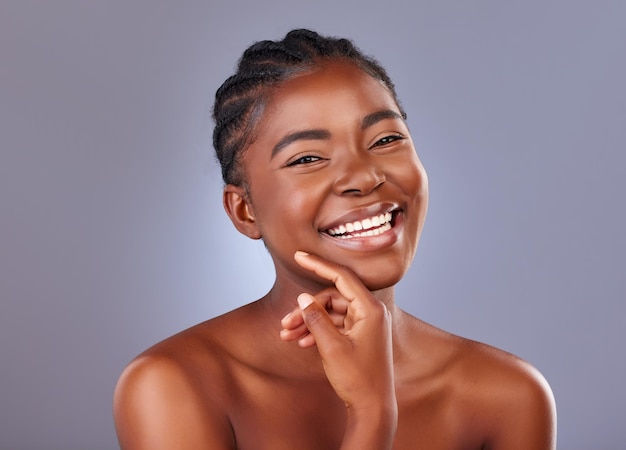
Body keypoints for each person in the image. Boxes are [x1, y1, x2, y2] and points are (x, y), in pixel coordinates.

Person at [113, 29, 556, 449]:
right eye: (307, 157)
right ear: (245, 211)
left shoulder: (508, 396)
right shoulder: (173, 385)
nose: (364, 177)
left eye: (386, 139)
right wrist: (371, 413)